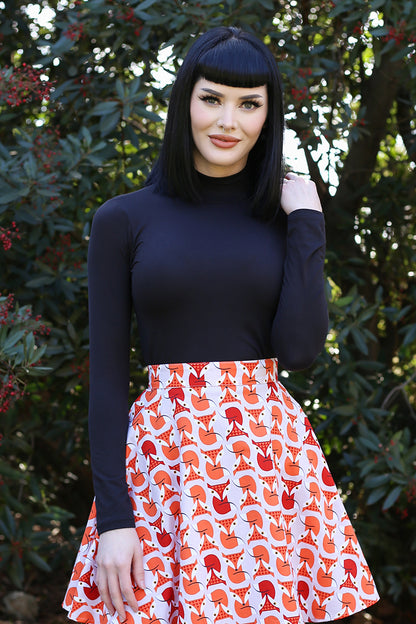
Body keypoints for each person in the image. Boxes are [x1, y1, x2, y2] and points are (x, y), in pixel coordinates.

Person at [63, 26, 379, 624]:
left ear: (268, 115)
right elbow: (106, 378)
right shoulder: (123, 219)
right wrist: (114, 518)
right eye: (212, 98)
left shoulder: (285, 217)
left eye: (249, 103)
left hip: (268, 464)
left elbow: (301, 350)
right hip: (164, 463)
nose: (228, 120)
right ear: (185, 101)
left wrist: (308, 223)